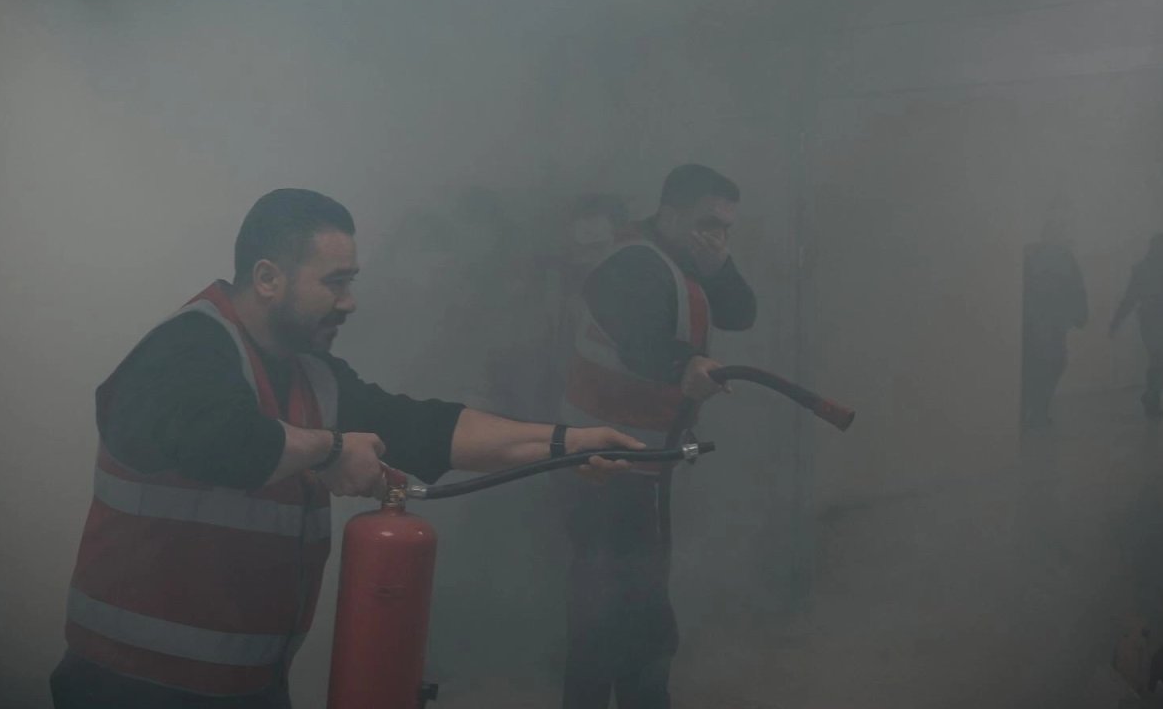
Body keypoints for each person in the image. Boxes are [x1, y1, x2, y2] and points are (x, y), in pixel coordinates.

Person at [49, 188, 645, 709]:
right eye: (334, 282)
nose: (350, 302)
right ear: (267, 278)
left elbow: (424, 429)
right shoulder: (185, 347)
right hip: (130, 689)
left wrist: (565, 443)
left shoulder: (314, 376)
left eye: (351, 282)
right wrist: (331, 451)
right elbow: (226, 443)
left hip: (246, 690)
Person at [558, 165, 757, 709]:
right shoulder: (630, 262)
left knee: (634, 611)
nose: (716, 236)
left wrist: (721, 265)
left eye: (725, 228)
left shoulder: (681, 262)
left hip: (639, 466)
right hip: (599, 468)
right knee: (609, 616)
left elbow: (743, 313)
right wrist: (683, 365)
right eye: (707, 224)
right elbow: (638, 339)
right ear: (669, 213)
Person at [1110, 234, 1163, 418]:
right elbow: (1130, 297)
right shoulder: (1143, 269)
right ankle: (1152, 399)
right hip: (1151, 320)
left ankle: (1151, 396)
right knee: (1160, 361)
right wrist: (1116, 321)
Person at [1021, 223, 1088, 428]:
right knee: (1043, 365)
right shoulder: (1035, 257)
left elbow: (1076, 287)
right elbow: (1076, 287)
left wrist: (1078, 315)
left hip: (1050, 321)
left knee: (1050, 364)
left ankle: (1035, 411)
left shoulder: (1061, 257)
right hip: (1038, 321)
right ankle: (1033, 411)